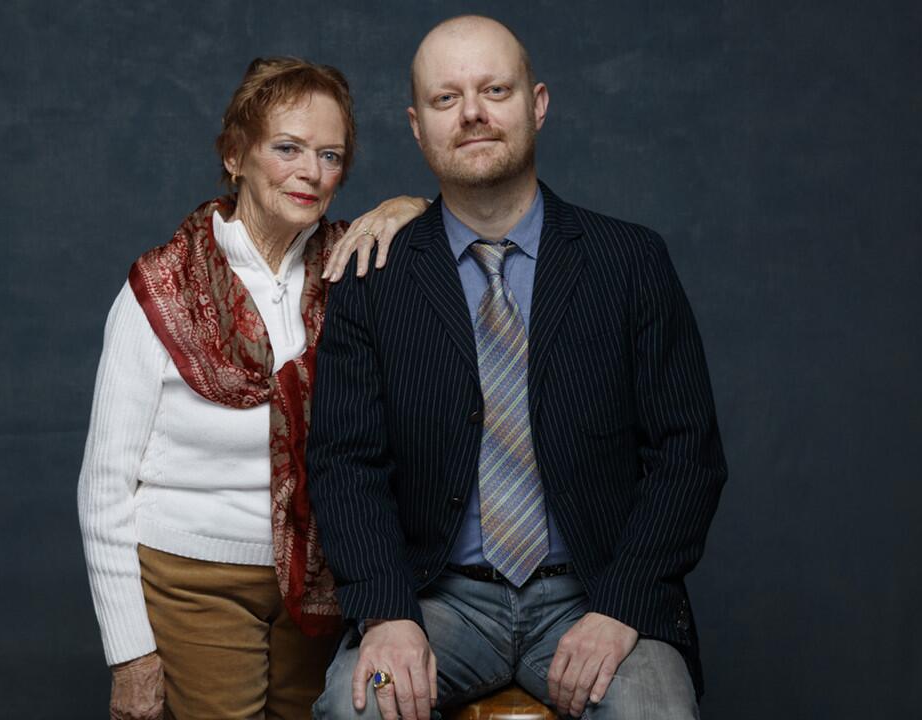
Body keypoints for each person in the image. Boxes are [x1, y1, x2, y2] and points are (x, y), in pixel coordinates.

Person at [308, 15, 727, 720]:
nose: (471, 113)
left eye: (493, 90)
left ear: (536, 104)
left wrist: (623, 606)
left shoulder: (630, 262)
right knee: (357, 711)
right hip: (437, 599)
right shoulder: (372, 279)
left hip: (595, 593)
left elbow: (688, 455)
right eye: (446, 99)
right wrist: (386, 614)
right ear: (417, 127)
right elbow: (345, 463)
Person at [77, 56, 428, 720]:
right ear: (235, 154)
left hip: (323, 584)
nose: (312, 171)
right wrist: (130, 655)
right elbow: (105, 485)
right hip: (193, 580)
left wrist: (413, 208)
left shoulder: (356, 266)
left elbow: (461, 240)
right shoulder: (160, 287)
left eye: (331, 156)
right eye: (287, 147)